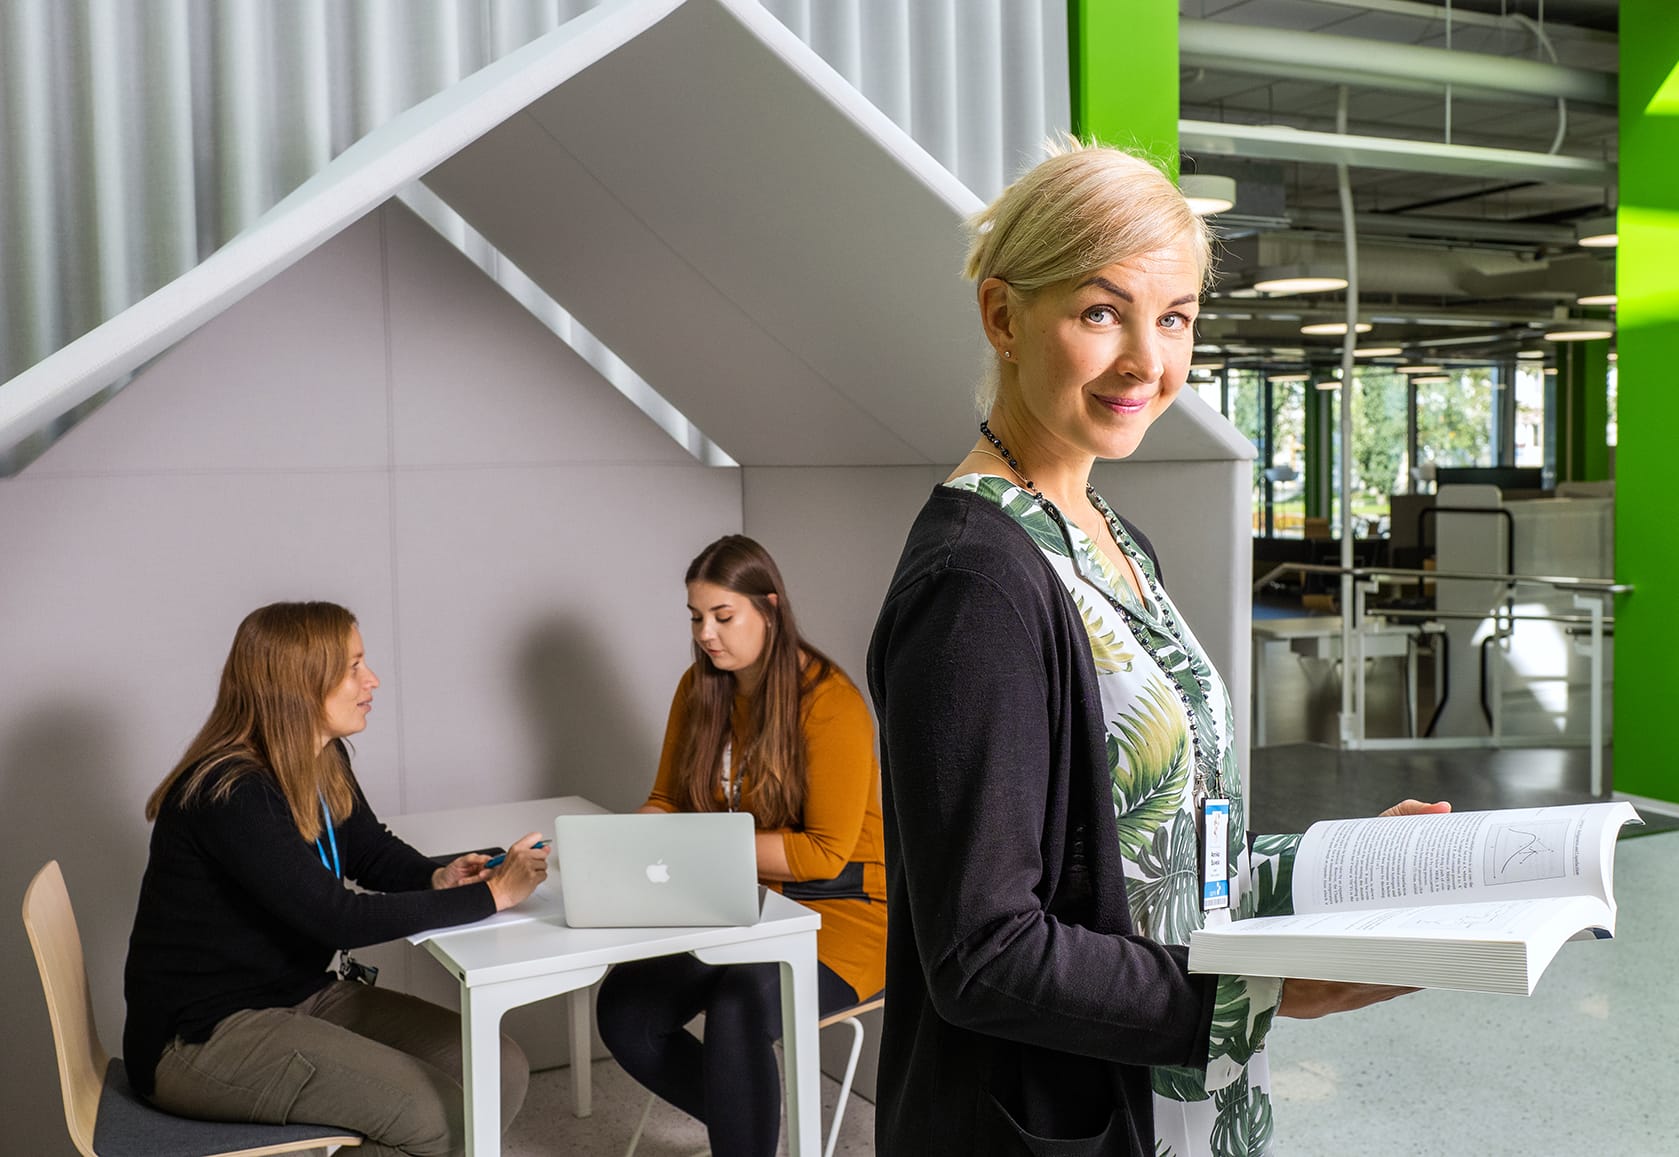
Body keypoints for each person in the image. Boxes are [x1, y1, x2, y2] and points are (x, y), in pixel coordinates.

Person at [866, 140, 1451, 1157]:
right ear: (1001, 315)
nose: (1148, 359)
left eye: (1173, 316)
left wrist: (1341, 866)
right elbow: (981, 950)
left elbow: (1162, 854)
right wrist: (1256, 991)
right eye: (1101, 311)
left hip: (1185, 1094)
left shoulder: (1104, 531)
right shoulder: (977, 582)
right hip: (1060, 1112)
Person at [123, 601, 550, 1157]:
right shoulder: (231, 793)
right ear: (297, 684)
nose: (371, 679)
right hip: (204, 1037)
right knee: (435, 1117)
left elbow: (368, 852)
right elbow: (336, 917)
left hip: (298, 994)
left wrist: (438, 875)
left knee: (501, 1069)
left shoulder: (322, 757)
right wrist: (490, 896)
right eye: (353, 666)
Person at [595, 534, 886, 1157]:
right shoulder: (699, 689)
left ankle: (744, 1135)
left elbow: (821, 854)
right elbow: (669, 801)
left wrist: (695, 844)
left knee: (738, 1005)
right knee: (625, 1009)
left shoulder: (831, 703)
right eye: (697, 617)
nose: (706, 633)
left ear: (770, 609)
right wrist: (619, 843)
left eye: (723, 617)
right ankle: (748, 1126)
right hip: (734, 899)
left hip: (840, 912)